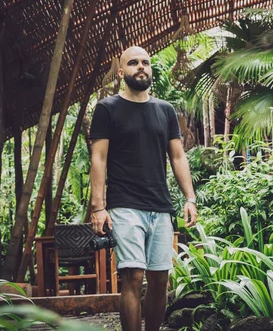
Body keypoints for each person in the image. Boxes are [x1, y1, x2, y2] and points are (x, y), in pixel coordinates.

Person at [89, 46, 198, 331]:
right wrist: (98, 207)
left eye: (146, 62)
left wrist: (190, 198)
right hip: (124, 204)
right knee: (133, 276)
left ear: (151, 70)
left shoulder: (165, 110)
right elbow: (98, 159)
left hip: (160, 206)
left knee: (160, 279)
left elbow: (177, 156)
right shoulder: (107, 108)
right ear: (122, 72)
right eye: (134, 62)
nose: (141, 66)